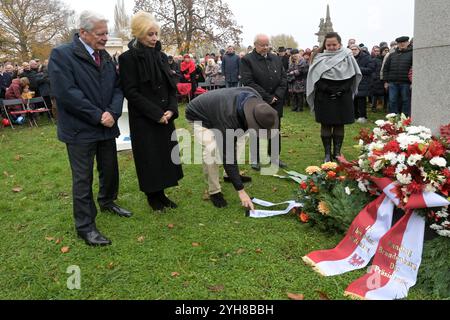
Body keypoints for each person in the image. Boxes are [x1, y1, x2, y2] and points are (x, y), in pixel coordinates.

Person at [48, 11, 132, 247]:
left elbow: (117, 87)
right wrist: (98, 115)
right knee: (83, 179)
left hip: (106, 125)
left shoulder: (104, 56)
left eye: (106, 33)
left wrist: (113, 113)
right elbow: (66, 93)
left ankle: (107, 201)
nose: (105, 38)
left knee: (110, 169)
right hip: (80, 129)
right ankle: (85, 226)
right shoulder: (62, 55)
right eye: (100, 34)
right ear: (83, 33)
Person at [119, 11, 183, 212]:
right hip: (144, 118)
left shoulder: (162, 56)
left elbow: (171, 85)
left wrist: (171, 110)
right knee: (149, 157)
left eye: (156, 34)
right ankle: (152, 196)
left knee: (164, 155)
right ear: (139, 34)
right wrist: (156, 114)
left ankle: (162, 194)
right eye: (150, 34)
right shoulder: (127, 59)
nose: (155, 38)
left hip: (166, 115)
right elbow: (131, 91)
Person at [185, 87, 279, 210]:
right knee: (211, 149)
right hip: (198, 115)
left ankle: (228, 176)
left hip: (220, 110)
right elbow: (228, 156)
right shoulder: (228, 119)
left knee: (241, 139)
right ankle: (214, 191)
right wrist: (241, 191)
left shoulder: (257, 102)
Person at [307, 32, 362, 163]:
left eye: (334, 44)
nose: (331, 47)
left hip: (343, 95)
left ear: (340, 44)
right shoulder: (318, 57)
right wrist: (328, 89)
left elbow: (353, 75)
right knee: (325, 124)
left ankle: (337, 152)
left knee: (339, 124)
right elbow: (314, 77)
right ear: (324, 44)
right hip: (324, 94)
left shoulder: (348, 55)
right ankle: (327, 154)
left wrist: (341, 90)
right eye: (328, 44)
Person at [240, 34, 288, 171]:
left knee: (275, 129)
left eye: (267, 45)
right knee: (255, 129)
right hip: (257, 100)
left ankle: (274, 156)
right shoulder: (247, 60)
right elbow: (248, 81)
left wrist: (277, 96)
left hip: (276, 101)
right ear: (255, 44)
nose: (266, 48)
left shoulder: (276, 58)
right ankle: (255, 158)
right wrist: (267, 97)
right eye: (262, 45)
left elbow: (283, 78)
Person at [381, 36, 413, 117]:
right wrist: (385, 81)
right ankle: (393, 118)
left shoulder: (412, 53)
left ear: (408, 43)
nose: (402, 44)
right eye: (400, 43)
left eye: (404, 42)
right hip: (392, 82)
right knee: (392, 100)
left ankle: (405, 119)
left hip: (406, 82)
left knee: (406, 100)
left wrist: (412, 82)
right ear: (397, 44)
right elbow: (386, 69)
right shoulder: (392, 55)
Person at [350, 44, 375, 123]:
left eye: (355, 49)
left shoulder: (366, 57)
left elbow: (370, 69)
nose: (353, 51)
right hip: (352, 82)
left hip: (363, 82)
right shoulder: (349, 58)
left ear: (359, 50)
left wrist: (357, 69)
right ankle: (354, 116)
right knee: (353, 100)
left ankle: (362, 116)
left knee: (361, 100)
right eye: (352, 50)